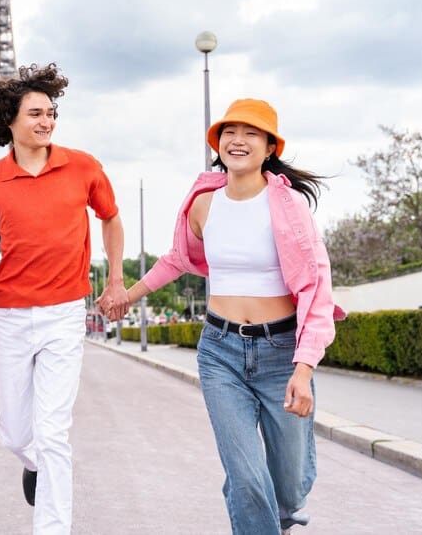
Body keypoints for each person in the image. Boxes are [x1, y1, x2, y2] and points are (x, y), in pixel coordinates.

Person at [100, 98, 345, 535]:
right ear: (218, 144)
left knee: (288, 487)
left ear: (270, 147)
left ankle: (277, 520)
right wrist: (128, 295)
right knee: (247, 478)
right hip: (220, 353)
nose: (238, 140)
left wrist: (304, 369)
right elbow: (176, 259)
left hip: (282, 353)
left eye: (251, 133)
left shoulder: (289, 209)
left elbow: (316, 288)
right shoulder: (203, 204)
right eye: (230, 132)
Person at [0, 63, 128, 534]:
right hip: (10, 315)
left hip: (64, 313)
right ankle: (34, 463)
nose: (46, 121)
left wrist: (115, 279)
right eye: (35, 113)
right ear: (11, 120)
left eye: (51, 113)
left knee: (52, 433)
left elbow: (110, 218)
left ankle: (53, 527)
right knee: (17, 435)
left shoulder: (83, 166)